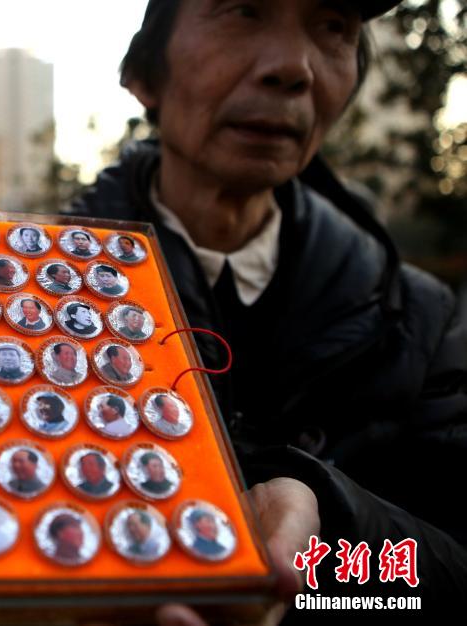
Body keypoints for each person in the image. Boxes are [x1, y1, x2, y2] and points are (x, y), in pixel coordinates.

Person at [70, 0, 467, 618]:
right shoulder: (29, 308)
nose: (293, 68)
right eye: (243, 11)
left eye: (333, 27)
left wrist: (328, 532)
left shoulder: (422, 318)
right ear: (145, 75)